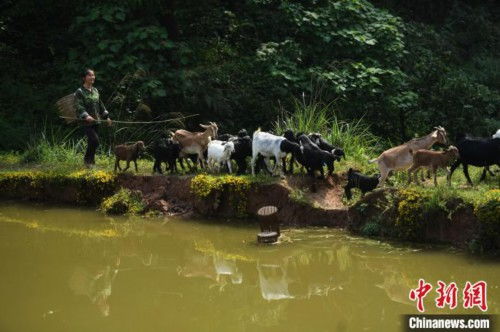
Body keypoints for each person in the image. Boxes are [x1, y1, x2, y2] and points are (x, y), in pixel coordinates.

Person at [75, 69, 112, 168]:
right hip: (85, 122)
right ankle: (88, 160)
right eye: (90, 75)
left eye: (93, 75)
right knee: (95, 140)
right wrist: (86, 116)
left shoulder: (95, 90)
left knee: (92, 142)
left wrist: (107, 117)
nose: (92, 77)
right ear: (84, 78)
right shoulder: (80, 91)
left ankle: (91, 162)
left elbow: (100, 105)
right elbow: (79, 106)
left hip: (96, 121)